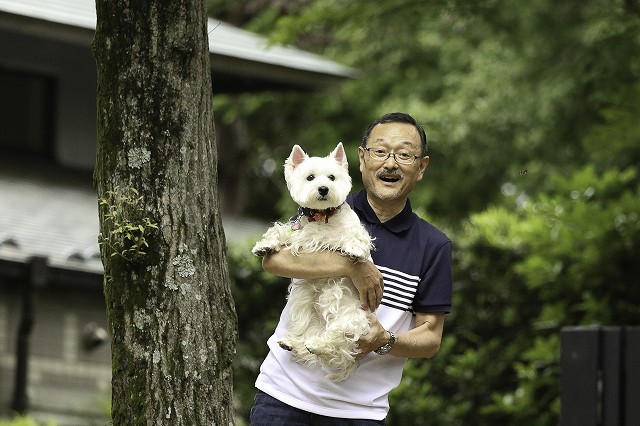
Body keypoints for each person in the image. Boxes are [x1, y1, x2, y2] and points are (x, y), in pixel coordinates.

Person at [250, 112, 453, 425]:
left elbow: (430, 339)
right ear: (361, 158)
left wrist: (384, 340)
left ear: (421, 167)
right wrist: (352, 265)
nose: (390, 163)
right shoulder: (325, 206)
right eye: (380, 151)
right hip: (282, 396)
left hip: (359, 413)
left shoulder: (433, 245)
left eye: (404, 154)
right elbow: (274, 260)